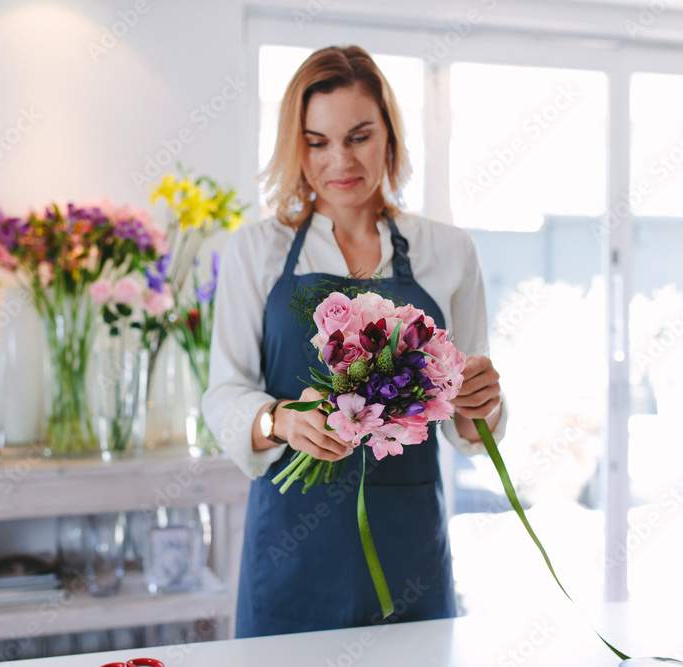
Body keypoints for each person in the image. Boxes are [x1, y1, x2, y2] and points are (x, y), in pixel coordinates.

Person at [201, 45, 509, 638]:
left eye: (359, 136)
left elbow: (464, 422)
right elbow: (222, 393)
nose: (339, 160)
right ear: (296, 146)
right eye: (317, 142)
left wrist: (481, 403)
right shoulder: (256, 251)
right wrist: (280, 421)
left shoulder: (448, 252)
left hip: (409, 556)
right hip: (291, 558)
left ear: (390, 137)